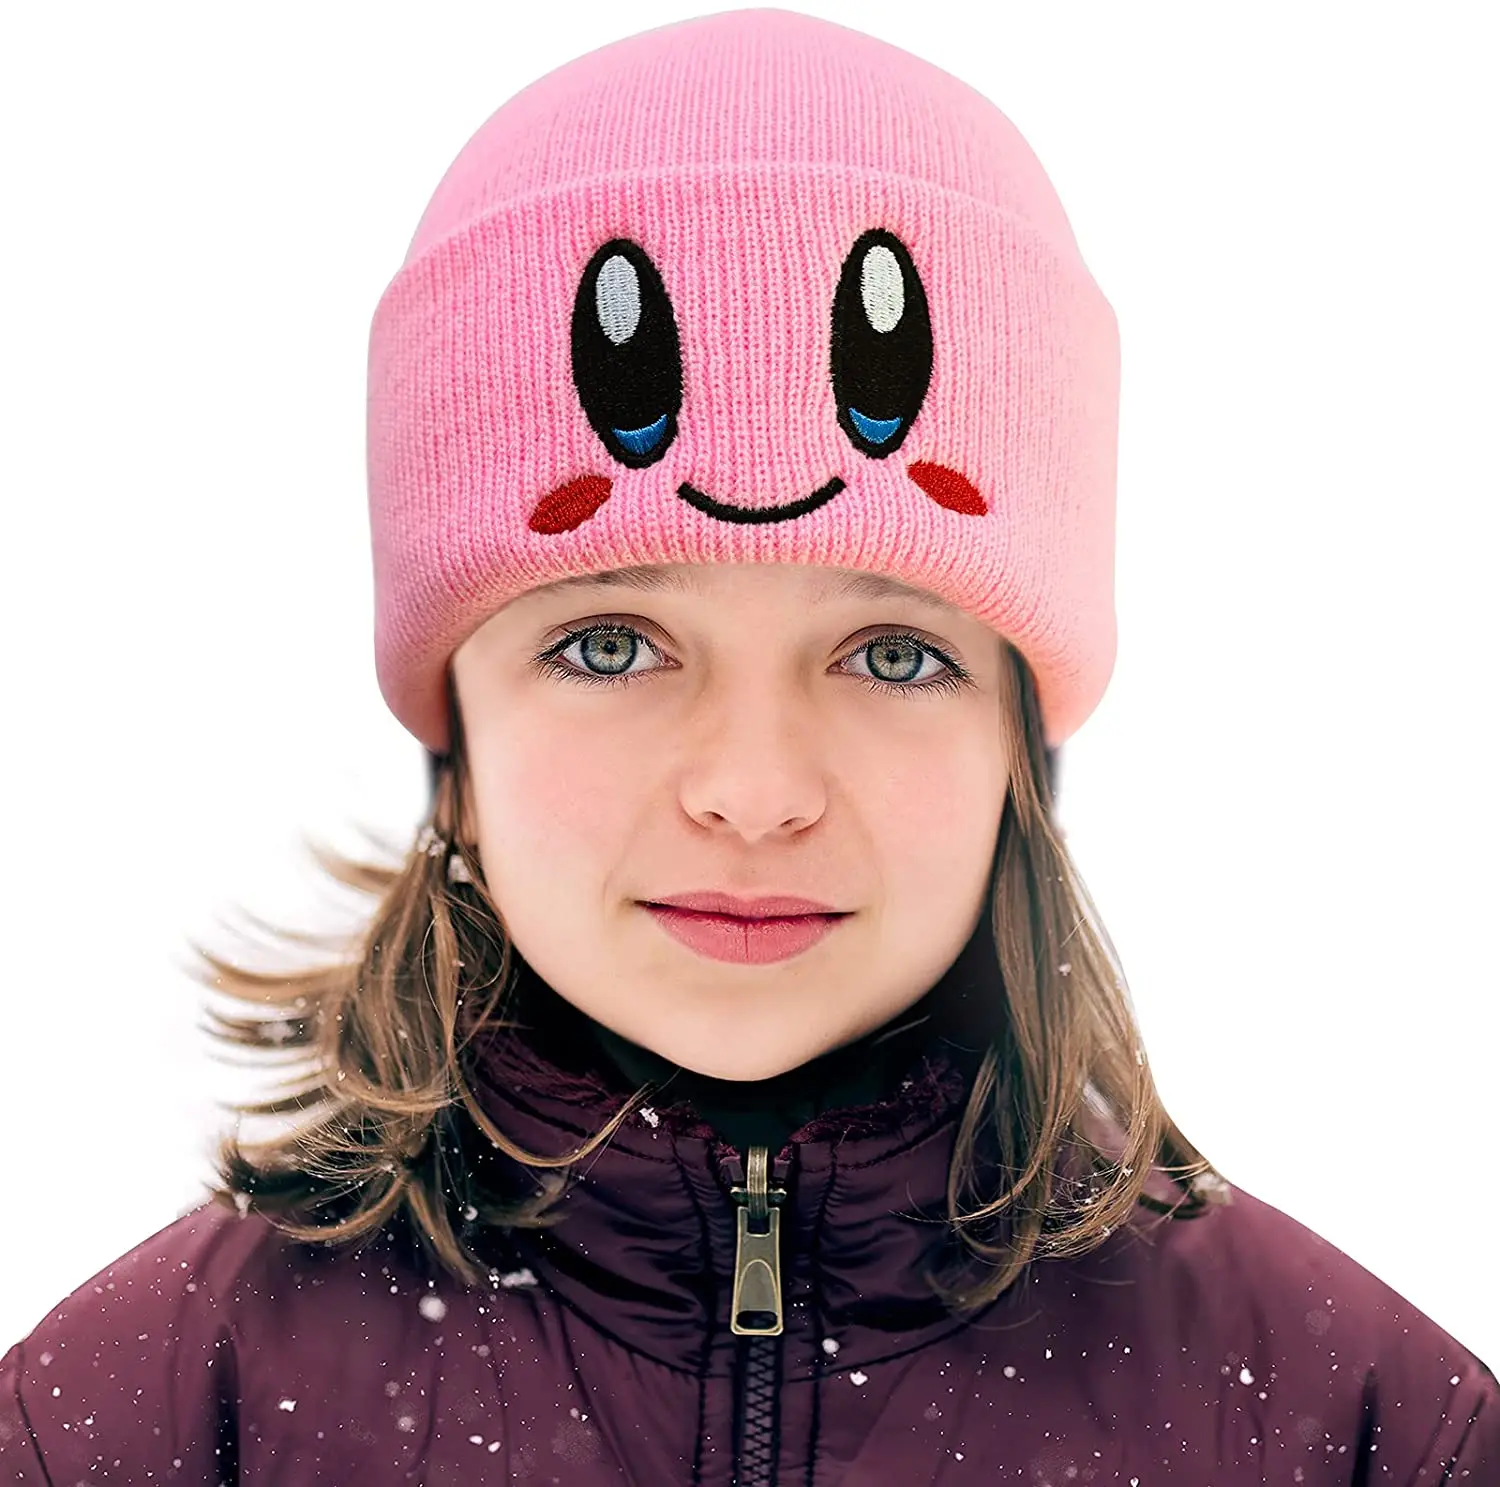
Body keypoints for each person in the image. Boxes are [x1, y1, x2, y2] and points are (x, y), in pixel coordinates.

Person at [2, 8, 1495, 1483]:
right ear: (454, 734)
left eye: (893, 654)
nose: (755, 792)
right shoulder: (146, 1424)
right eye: (609, 645)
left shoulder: (1356, 1433)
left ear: (1019, 748)